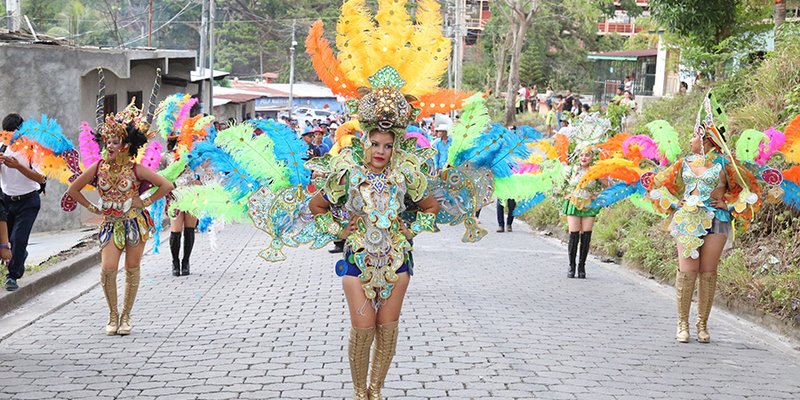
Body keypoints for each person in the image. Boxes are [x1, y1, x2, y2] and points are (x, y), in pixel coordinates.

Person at [308, 126, 441, 399]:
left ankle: (376, 392)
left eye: (388, 146)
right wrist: (340, 232)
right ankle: (360, 392)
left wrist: (411, 230)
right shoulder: (349, 176)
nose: (381, 151)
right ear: (365, 144)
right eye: (376, 143)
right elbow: (316, 206)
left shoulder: (404, 177)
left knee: (387, 328)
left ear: (395, 149)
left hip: (396, 261)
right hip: (358, 259)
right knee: (364, 327)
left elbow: (431, 206)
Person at [649, 92, 760, 343]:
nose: (690, 139)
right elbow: (659, 183)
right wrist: (676, 202)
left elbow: (748, 189)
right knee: (687, 271)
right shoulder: (684, 162)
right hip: (689, 219)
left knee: (708, 273)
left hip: (717, 219)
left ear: (706, 139)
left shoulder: (725, 163)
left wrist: (728, 204)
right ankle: (682, 324)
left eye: (695, 134)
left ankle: (702, 325)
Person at [66, 102, 174, 335]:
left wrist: (144, 201)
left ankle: (126, 316)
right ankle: (112, 314)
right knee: (108, 268)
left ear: (125, 145)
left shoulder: (136, 169)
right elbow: (73, 189)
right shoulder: (98, 167)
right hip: (110, 224)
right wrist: (93, 208)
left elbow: (166, 185)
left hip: (134, 222)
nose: (110, 146)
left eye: (115, 142)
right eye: (108, 141)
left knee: (132, 267)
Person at [1, 113, 46, 292]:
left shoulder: (32, 149)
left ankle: (12, 275)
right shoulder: (2, 148)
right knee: (6, 240)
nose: (10, 137)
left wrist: (18, 166)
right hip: (6, 200)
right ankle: (20, 257)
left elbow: (41, 177)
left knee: (18, 239)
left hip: (28, 201)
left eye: (14, 133)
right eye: (7, 133)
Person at [561, 149, 604, 279]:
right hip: (573, 203)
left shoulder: (595, 171)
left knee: (586, 234)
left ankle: (581, 266)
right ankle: (571, 266)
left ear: (592, 157)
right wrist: (565, 195)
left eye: (587, 155)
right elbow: (559, 184)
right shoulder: (572, 170)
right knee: (573, 234)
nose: (584, 158)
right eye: (581, 155)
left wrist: (598, 195)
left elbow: (608, 185)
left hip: (589, 205)